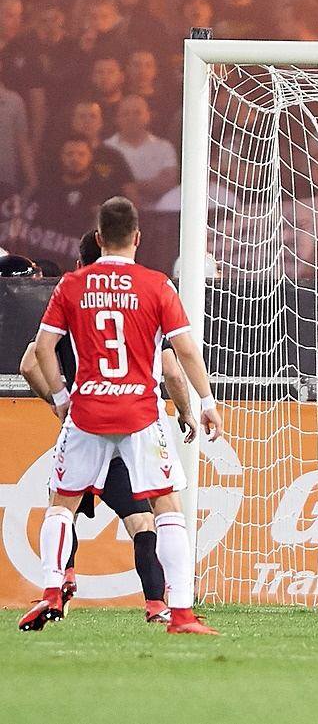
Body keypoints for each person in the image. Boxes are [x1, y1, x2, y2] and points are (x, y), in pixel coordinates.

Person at [20, 197, 223, 635]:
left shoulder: (72, 285)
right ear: (137, 237)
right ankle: (180, 613)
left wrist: (60, 398)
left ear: (97, 238)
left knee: (61, 504)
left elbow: (40, 350)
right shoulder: (156, 285)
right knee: (166, 507)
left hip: (87, 412)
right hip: (140, 415)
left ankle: (52, 591)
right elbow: (183, 350)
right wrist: (205, 404)